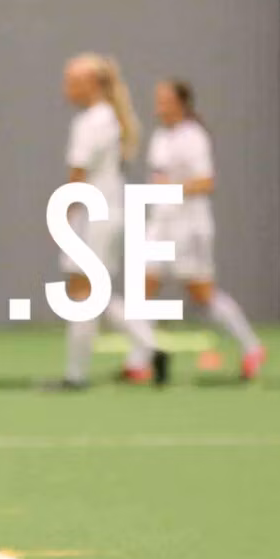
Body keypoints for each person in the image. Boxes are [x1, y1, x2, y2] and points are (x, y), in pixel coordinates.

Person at [51, 54, 166, 390]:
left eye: (72, 82)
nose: (66, 89)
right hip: (105, 213)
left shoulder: (92, 121)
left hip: (95, 216)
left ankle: (76, 375)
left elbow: (78, 172)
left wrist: (63, 212)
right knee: (90, 293)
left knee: (84, 292)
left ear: (92, 84)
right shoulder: (106, 118)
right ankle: (149, 344)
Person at [144, 80, 265, 378]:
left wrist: (172, 188)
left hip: (190, 227)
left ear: (181, 103)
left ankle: (251, 347)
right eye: (157, 100)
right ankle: (140, 362)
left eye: (165, 100)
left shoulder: (194, 137)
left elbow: (206, 182)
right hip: (161, 223)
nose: (159, 106)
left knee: (201, 296)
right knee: (143, 286)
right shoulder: (160, 137)